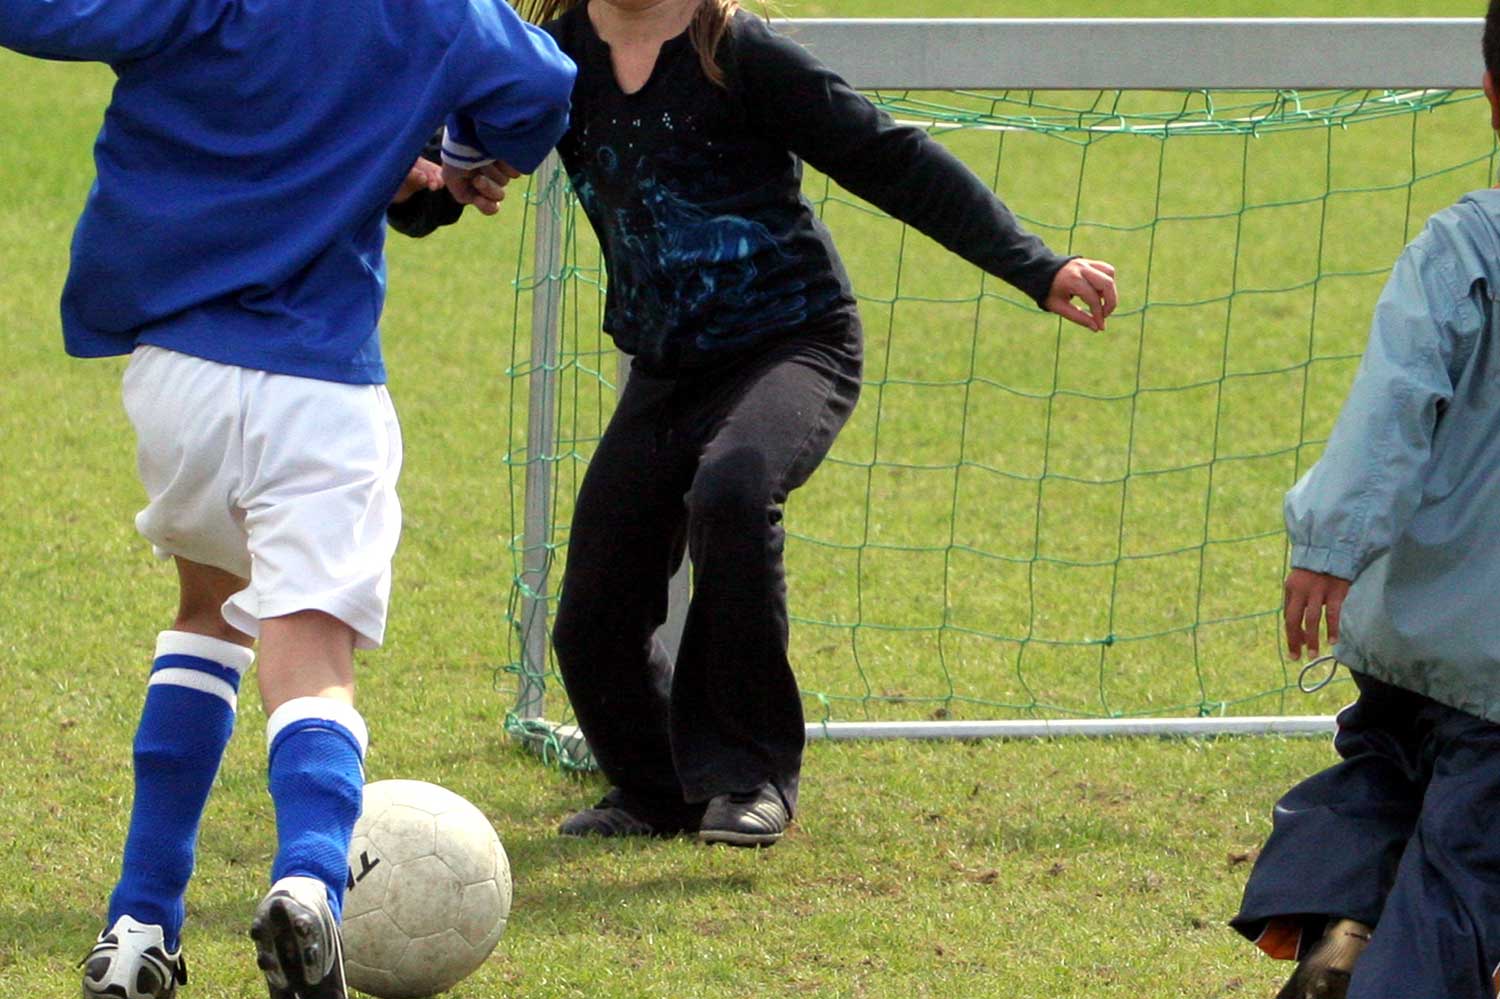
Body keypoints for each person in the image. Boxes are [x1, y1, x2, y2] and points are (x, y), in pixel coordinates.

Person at [440, 0, 1116, 848]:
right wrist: (432, 180)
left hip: (793, 343)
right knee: (591, 622)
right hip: (666, 368)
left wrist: (1038, 266)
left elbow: (889, 158)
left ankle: (751, 773)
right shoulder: (555, 58)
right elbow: (455, 149)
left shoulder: (736, 51)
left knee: (734, 487)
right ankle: (658, 792)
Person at [0, 4, 573, 997]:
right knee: (310, 658)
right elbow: (544, 87)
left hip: (175, 376)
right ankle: (310, 882)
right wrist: (464, 149)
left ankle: (141, 924)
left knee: (207, 614)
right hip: (318, 387)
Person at [1230, 7, 1500, 997]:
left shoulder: (1467, 243)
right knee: (1466, 869)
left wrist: (1330, 544)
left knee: (1380, 771)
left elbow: (1394, 394)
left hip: (1406, 631)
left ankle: (1337, 929)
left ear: (1489, 97)